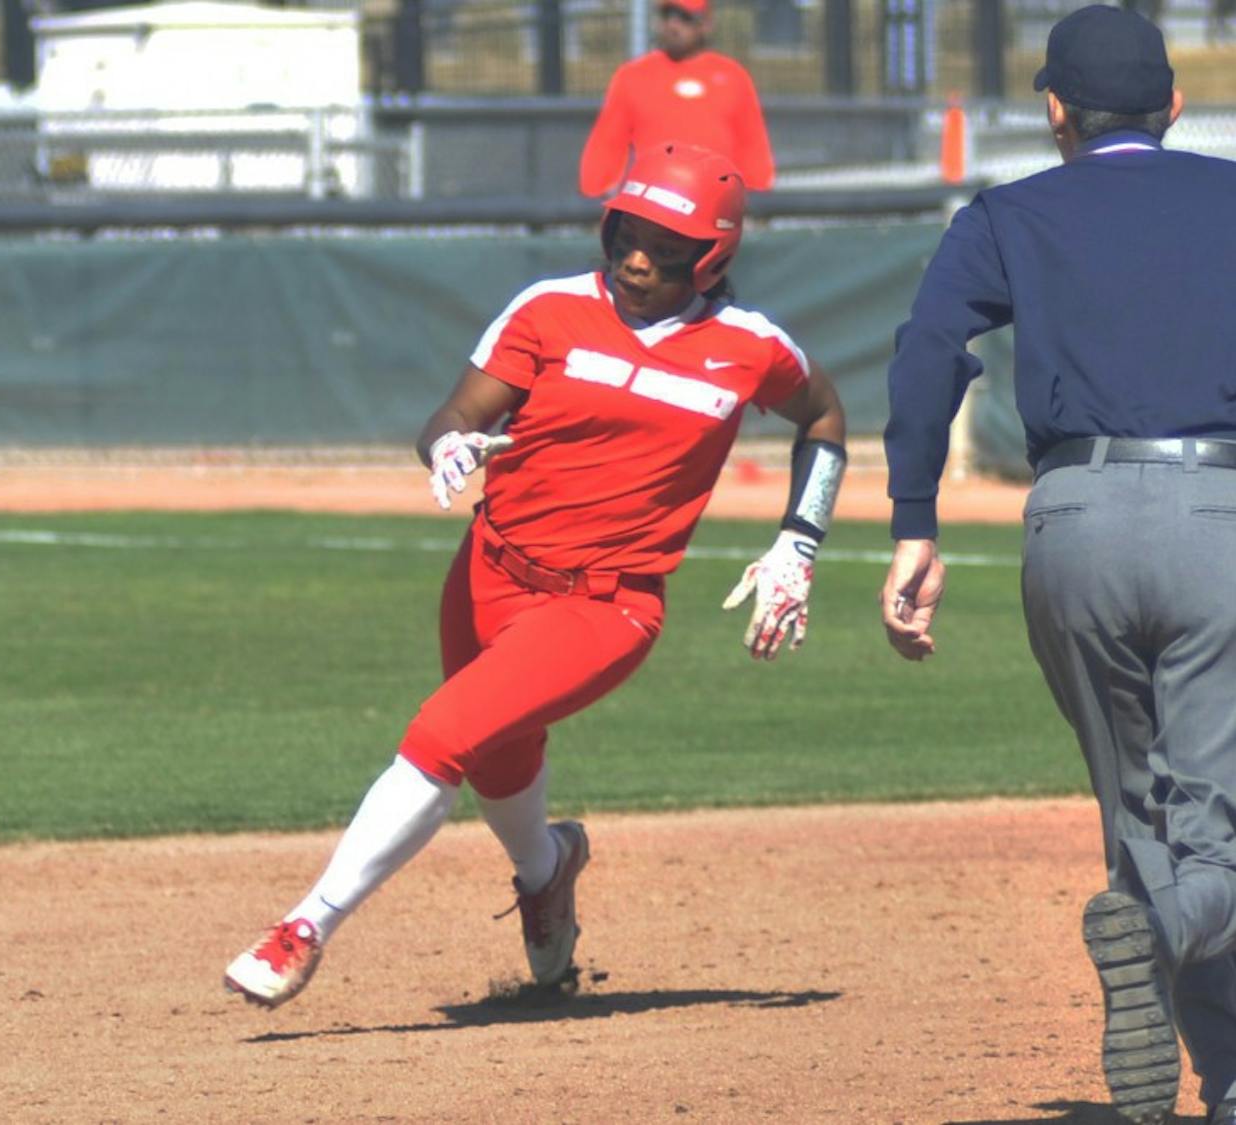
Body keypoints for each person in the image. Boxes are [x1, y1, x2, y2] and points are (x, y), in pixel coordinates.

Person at [225, 141, 846, 1010]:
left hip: (606, 606)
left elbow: (823, 415)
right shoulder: (550, 309)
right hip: (486, 572)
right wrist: (445, 442)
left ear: (713, 256)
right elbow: (456, 412)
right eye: (627, 231)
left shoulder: (748, 346)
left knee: (442, 735)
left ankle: (305, 926)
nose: (637, 257)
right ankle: (548, 871)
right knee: (495, 760)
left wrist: (800, 539)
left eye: (666, 246)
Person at [877, 7, 1236, 1124]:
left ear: (1055, 113)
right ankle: (1175, 948)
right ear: (1175, 106)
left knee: (1142, 818)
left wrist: (913, 522)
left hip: (1070, 520)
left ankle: (1214, 1072)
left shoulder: (1007, 213)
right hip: (1221, 510)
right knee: (1220, 829)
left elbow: (930, 348)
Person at [578, 0, 775, 199]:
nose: (673, 25)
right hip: (652, 206)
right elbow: (607, 143)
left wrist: (757, 197)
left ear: (705, 23)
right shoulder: (633, 76)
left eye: (684, 17)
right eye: (667, 16)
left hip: (715, 205)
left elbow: (752, 144)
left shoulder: (733, 77)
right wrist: (594, 195)